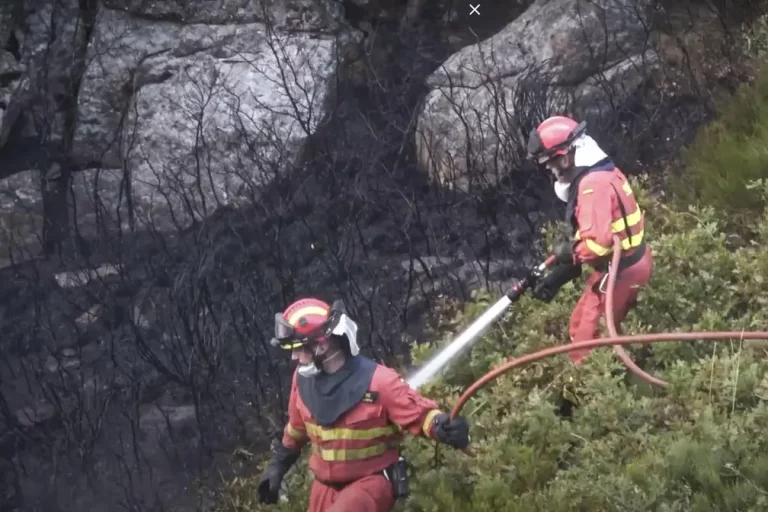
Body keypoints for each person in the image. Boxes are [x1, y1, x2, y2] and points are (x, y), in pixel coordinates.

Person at [257, 297, 471, 512]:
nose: (294, 357)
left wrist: (443, 426)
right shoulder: (302, 381)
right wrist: (277, 467)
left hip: (369, 486)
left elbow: (421, 416)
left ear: (321, 345)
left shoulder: (380, 382)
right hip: (323, 490)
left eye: (299, 349)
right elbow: (296, 431)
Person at [526, 115, 653, 365]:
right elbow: (595, 237)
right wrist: (558, 277)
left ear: (564, 156)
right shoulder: (600, 172)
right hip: (617, 268)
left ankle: (598, 392)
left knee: (586, 346)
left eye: (550, 163)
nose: (550, 170)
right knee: (578, 326)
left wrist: (568, 253)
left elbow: (597, 245)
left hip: (621, 273)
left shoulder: (592, 186)